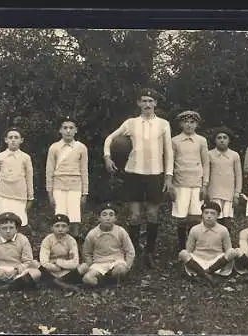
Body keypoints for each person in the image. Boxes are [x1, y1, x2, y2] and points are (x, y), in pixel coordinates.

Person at [103, 88, 173, 268]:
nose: (147, 104)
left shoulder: (163, 124)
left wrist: (168, 176)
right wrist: (107, 157)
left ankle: (149, 252)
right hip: (133, 173)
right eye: (144, 101)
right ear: (139, 103)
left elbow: (169, 152)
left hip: (155, 174)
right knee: (134, 216)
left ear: (155, 104)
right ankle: (133, 252)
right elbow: (110, 138)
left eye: (151, 101)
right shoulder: (131, 123)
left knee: (152, 214)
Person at [46, 116, 89, 245]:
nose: (68, 131)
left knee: (75, 217)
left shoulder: (81, 147)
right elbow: (49, 171)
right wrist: (50, 192)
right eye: (65, 128)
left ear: (76, 130)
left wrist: (84, 193)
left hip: (75, 186)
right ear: (60, 130)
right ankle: (59, 245)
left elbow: (84, 171)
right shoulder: (54, 147)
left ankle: (74, 244)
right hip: (58, 186)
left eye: (71, 128)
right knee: (60, 216)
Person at [171, 110, 209, 252]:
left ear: (196, 124)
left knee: (195, 216)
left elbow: (206, 163)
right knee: (181, 217)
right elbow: (171, 162)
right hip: (180, 182)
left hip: (196, 183)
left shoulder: (201, 140)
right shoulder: (175, 141)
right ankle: (182, 248)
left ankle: (193, 246)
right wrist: (170, 183)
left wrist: (205, 184)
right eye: (185, 122)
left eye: (192, 122)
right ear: (181, 124)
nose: (188, 125)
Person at [0, 212, 42, 291]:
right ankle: (15, 286)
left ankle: (2, 287)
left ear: (16, 229)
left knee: (36, 273)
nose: (8, 231)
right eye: (4, 228)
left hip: (17, 272)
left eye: (11, 228)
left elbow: (28, 261)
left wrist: (17, 270)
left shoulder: (23, 240)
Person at [178, 201, 236, 287]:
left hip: (216, 261)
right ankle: (207, 276)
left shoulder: (223, 230)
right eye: (206, 213)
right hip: (199, 261)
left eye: (212, 213)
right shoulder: (195, 229)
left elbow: (228, 249)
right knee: (183, 253)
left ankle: (206, 273)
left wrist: (225, 257)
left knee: (232, 252)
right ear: (202, 215)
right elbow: (189, 250)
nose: (209, 216)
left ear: (218, 215)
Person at [0, 127, 34, 232]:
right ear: (6, 140)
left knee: (18, 225)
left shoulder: (25, 158)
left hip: (19, 197)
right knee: (3, 225)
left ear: (21, 140)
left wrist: (30, 198)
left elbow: (29, 178)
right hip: (3, 196)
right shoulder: (0, 157)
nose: (13, 140)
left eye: (16, 137)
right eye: (10, 137)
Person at [78, 203, 135, 287]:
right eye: (104, 215)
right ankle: (104, 282)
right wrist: (90, 265)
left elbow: (130, 251)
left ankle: (114, 278)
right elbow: (87, 252)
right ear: (99, 218)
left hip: (116, 261)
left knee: (120, 270)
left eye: (111, 215)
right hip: (99, 263)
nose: (108, 218)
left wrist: (127, 266)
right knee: (87, 279)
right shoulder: (93, 233)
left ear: (115, 218)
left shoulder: (120, 231)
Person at [206, 126, 243, 231]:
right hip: (214, 191)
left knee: (227, 220)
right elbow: (206, 173)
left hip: (229, 193)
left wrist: (237, 193)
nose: (222, 140)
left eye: (225, 137)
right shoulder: (209, 154)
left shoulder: (234, 155)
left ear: (229, 140)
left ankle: (226, 244)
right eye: (219, 137)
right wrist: (206, 190)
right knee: (213, 218)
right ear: (215, 140)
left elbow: (238, 175)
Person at [39, 214, 82, 291]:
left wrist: (58, 262)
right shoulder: (47, 240)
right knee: (36, 264)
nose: (60, 229)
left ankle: (56, 283)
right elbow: (44, 262)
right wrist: (55, 267)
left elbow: (75, 262)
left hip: (66, 271)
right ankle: (63, 284)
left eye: (64, 226)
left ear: (68, 228)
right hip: (51, 270)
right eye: (57, 226)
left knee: (84, 267)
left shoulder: (71, 241)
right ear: (51, 228)